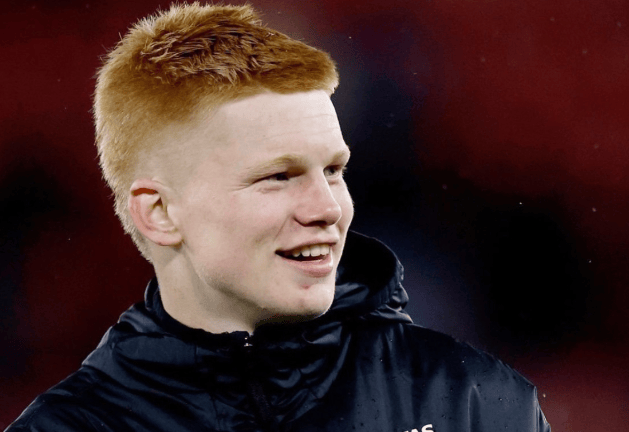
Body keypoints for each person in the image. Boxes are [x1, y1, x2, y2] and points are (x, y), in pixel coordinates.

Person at [7, 3, 551, 431]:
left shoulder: (474, 401)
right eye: (277, 176)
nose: (328, 208)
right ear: (160, 213)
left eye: (333, 170)